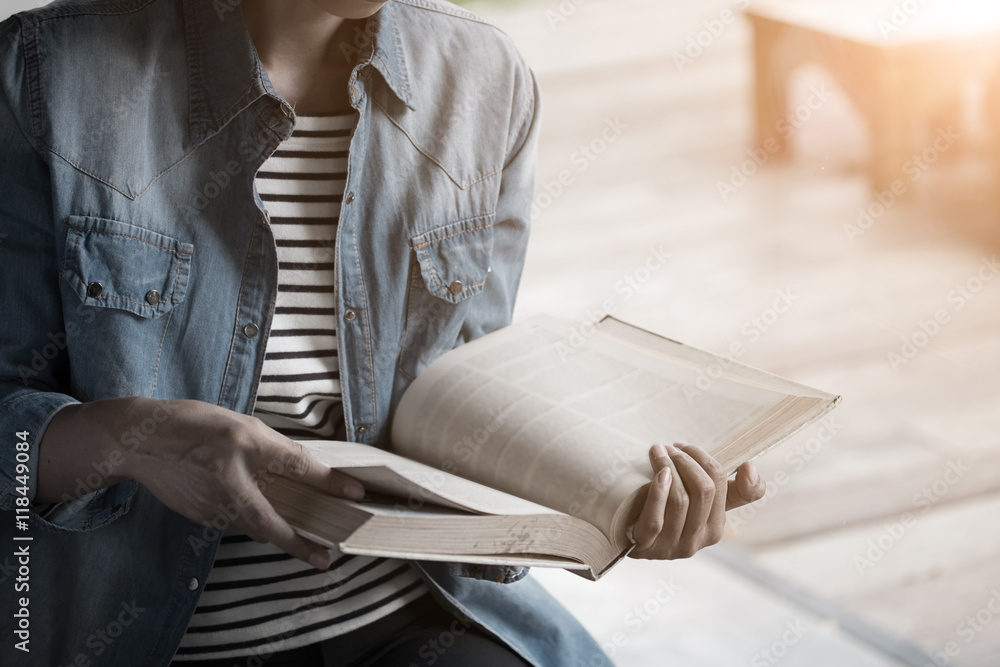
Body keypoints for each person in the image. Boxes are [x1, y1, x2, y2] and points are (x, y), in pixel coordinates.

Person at [0, 0, 767, 665]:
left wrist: (610, 498)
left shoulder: (483, 76)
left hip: (421, 616)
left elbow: (468, 417)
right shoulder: (43, 76)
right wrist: (136, 438)